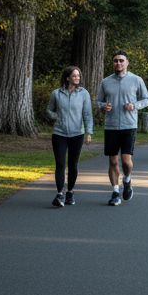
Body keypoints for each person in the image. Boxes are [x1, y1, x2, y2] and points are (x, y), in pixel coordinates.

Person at [96, 50, 148, 206]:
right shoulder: (106, 82)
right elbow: (99, 101)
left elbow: (146, 99)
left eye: (121, 60)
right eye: (115, 61)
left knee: (126, 161)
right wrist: (103, 107)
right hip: (111, 126)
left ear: (127, 62)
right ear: (112, 63)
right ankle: (115, 191)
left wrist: (135, 105)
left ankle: (127, 179)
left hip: (129, 125)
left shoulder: (136, 80)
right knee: (113, 161)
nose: (118, 63)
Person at [46, 66, 93, 207]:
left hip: (77, 134)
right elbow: (49, 110)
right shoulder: (56, 93)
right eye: (74, 76)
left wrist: (89, 133)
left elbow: (87, 115)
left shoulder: (84, 94)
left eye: (78, 76)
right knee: (60, 164)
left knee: (73, 164)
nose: (77, 78)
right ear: (67, 78)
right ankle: (59, 194)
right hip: (59, 133)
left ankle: (70, 192)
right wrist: (56, 116)